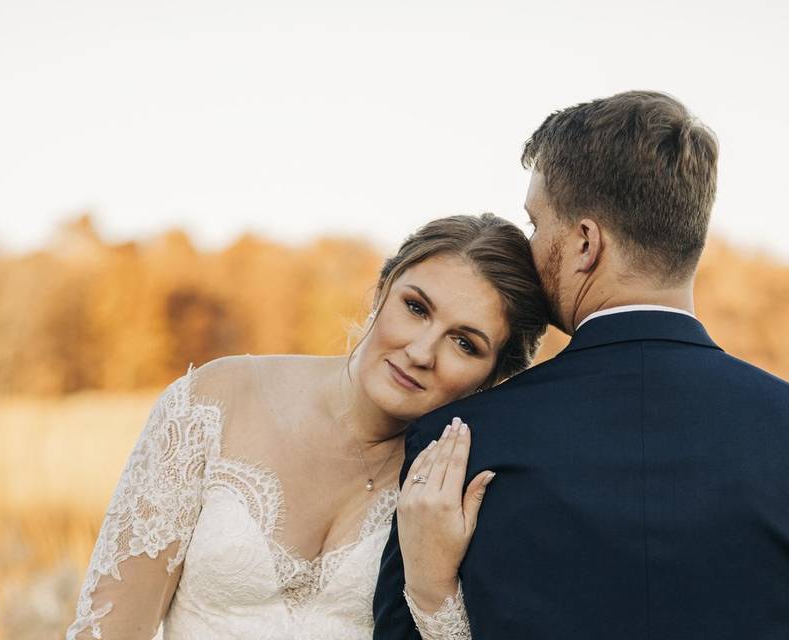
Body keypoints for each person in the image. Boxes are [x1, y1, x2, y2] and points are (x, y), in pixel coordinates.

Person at [374, 91, 789, 639]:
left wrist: (428, 589)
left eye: (537, 225)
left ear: (586, 244)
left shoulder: (458, 444)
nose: (531, 247)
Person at [65, 213, 550, 639]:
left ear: (495, 376)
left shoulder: (475, 485)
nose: (422, 352)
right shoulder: (214, 403)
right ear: (383, 288)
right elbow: (107, 631)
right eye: (416, 308)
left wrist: (433, 587)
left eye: (464, 344)